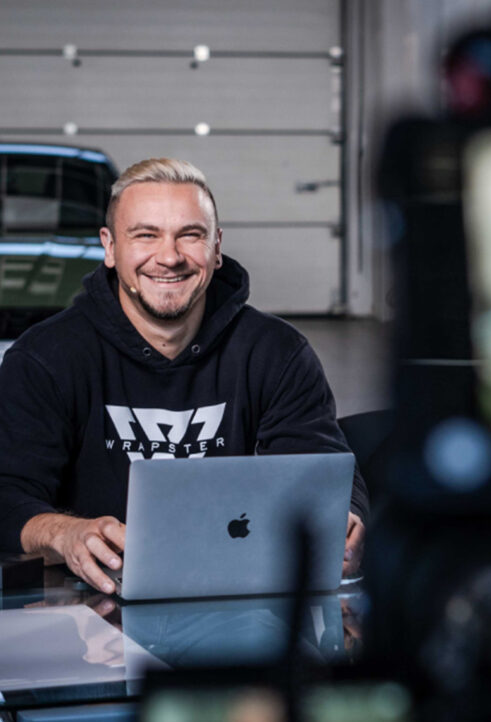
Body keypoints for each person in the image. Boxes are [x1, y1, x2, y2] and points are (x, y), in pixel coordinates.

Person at [0, 158, 367, 592]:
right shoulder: (45, 358)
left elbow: (321, 472)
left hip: (239, 596)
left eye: (190, 235)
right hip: (84, 605)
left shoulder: (276, 353)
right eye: (146, 235)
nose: (170, 257)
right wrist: (64, 533)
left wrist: (344, 518)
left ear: (216, 247)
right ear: (110, 247)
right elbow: (7, 493)